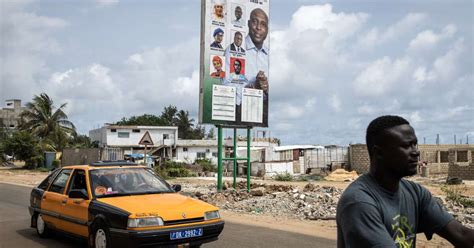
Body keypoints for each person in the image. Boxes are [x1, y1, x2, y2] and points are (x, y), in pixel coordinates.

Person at [337, 115, 474, 248]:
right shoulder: (359, 202)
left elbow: (461, 235)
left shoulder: (415, 193)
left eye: (415, 145)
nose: (416, 152)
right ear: (378, 153)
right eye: (406, 146)